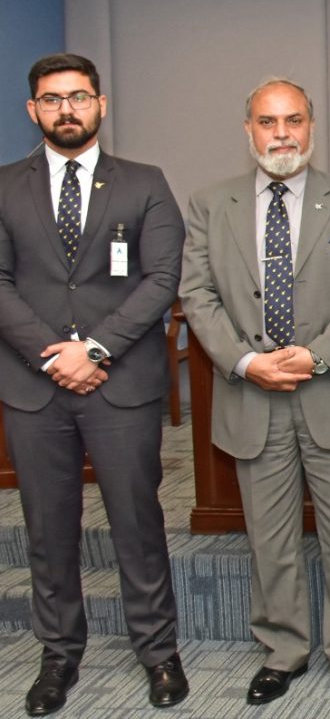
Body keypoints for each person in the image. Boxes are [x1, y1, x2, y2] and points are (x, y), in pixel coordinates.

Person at [179, 77, 330, 706]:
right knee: (270, 541)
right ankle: (283, 650)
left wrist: (315, 356)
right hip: (252, 397)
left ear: (311, 126)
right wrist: (246, 362)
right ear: (249, 130)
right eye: (268, 122)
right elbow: (196, 295)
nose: (282, 134)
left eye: (293, 120)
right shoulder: (210, 204)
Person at [0, 52, 187, 716]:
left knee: (137, 521)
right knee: (47, 529)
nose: (67, 109)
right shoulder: (4, 186)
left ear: (101, 104)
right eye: (52, 99)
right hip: (35, 387)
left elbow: (162, 278)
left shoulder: (144, 182)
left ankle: (158, 652)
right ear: (34, 110)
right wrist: (53, 357)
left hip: (121, 383)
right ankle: (58, 655)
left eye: (78, 96)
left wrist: (96, 348)